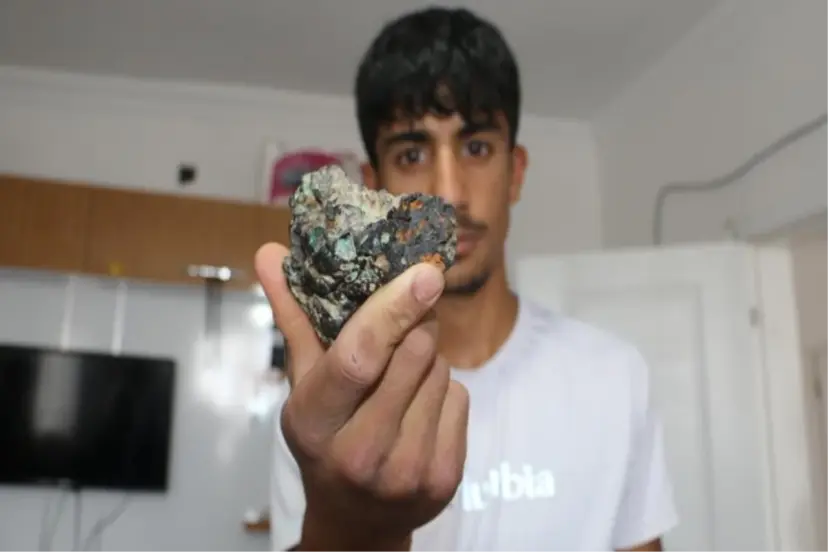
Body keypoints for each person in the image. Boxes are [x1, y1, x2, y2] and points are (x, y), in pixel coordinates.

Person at [256, 6, 678, 552]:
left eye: (476, 147)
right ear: (372, 188)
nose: (450, 193)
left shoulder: (614, 377)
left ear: (515, 172)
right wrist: (352, 528)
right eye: (412, 153)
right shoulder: (326, 401)